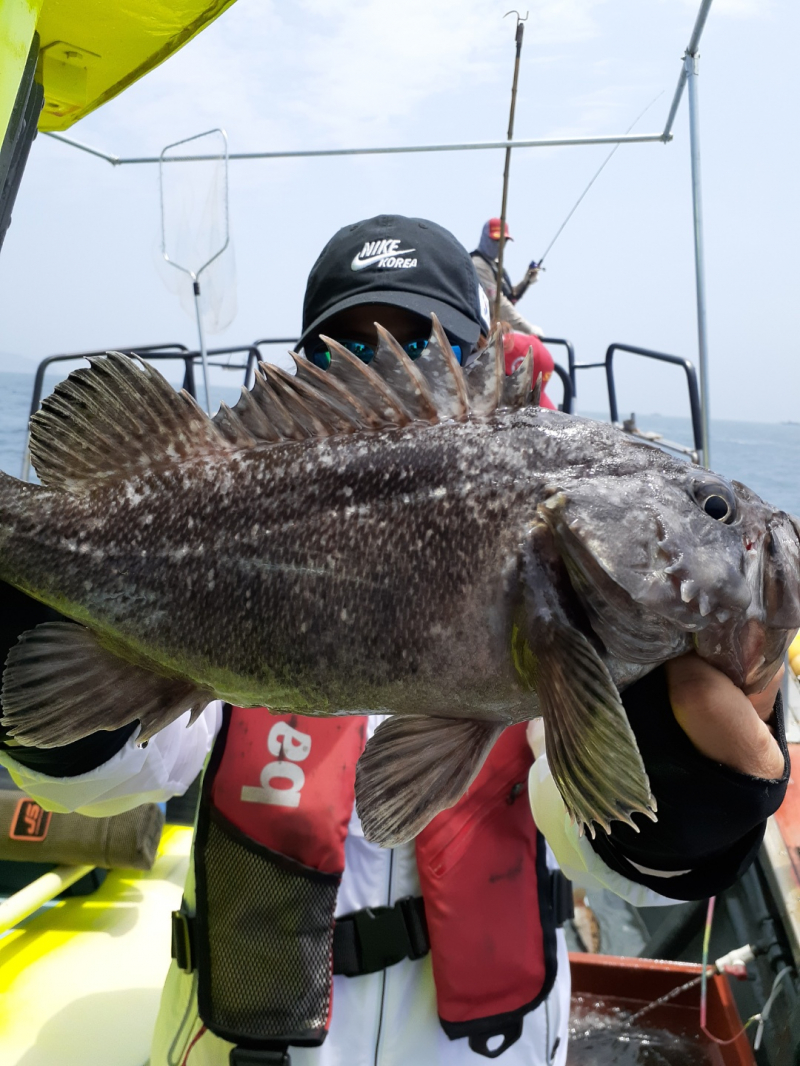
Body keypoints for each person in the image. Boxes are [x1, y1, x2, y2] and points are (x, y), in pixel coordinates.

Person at [0, 214, 789, 1066]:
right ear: (303, 379)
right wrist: (37, 600)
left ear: (473, 370)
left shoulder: (586, 618)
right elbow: (117, 775)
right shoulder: (247, 505)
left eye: (427, 351)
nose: (387, 377)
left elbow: (596, 848)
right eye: (344, 359)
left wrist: (689, 804)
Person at [471, 218, 542, 336]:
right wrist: (529, 329)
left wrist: (526, 281)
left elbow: (509, 297)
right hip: (480, 336)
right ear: (485, 238)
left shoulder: (495, 265)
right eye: (496, 240)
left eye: (503, 241)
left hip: (496, 335)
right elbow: (498, 302)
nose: (500, 245)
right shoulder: (478, 265)